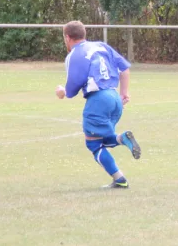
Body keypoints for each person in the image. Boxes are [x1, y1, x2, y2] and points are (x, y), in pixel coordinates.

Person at [55, 21, 141, 188]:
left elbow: (72, 87)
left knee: (93, 143)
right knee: (101, 138)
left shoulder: (74, 54)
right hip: (114, 98)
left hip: (98, 100)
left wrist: (62, 91)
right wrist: (124, 93)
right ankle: (121, 139)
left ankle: (119, 179)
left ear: (67, 37)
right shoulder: (101, 46)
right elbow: (124, 69)